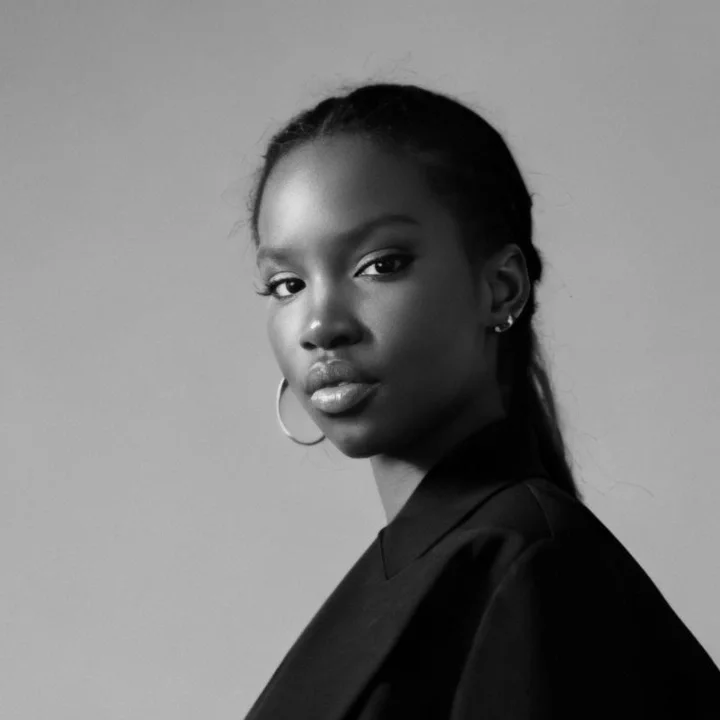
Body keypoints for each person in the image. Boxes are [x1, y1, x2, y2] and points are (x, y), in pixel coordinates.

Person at [242, 82, 720, 719]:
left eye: (381, 264)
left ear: (500, 287)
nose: (320, 325)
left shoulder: (528, 568)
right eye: (286, 284)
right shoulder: (448, 561)